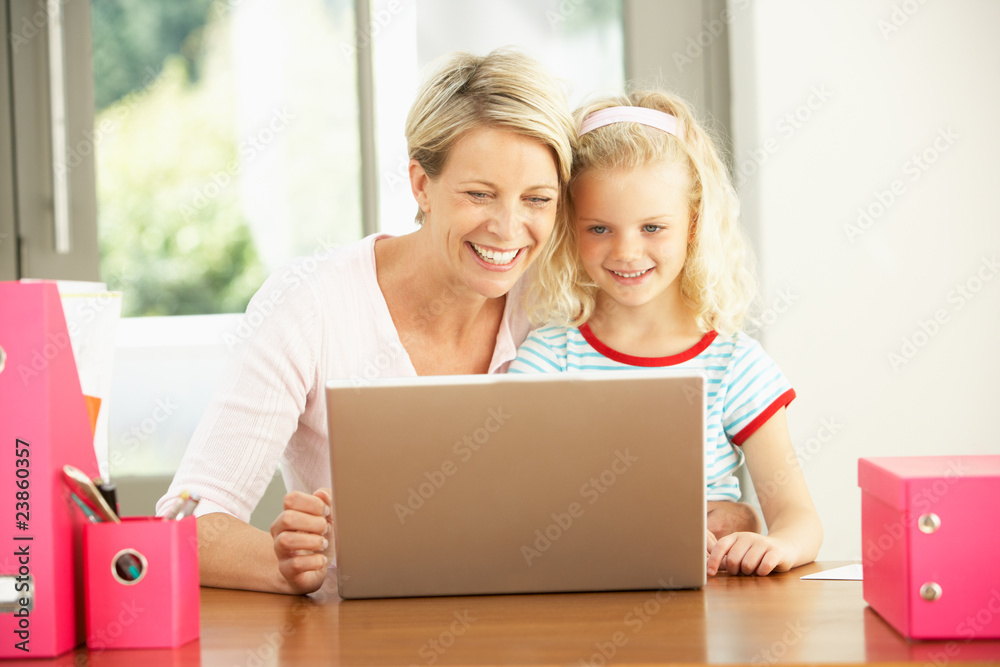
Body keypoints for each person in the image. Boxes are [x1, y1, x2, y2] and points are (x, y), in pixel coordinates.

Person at [158, 52, 759, 596]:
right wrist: (288, 565)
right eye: (479, 194)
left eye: (537, 200)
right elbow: (185, 523)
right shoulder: (309, 307)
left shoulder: (564, 296)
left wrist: (723, 515)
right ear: (422, 183)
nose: (507, 228)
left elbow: (651, 461)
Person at [508, 91, 823, 576]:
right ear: (571, 227)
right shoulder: (551, 355)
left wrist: (773, 546)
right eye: (599, 229)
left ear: (693, 225)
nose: (627, 252)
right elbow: (516, 500)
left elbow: (798, 518)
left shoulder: (734, 364)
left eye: (653, 227)